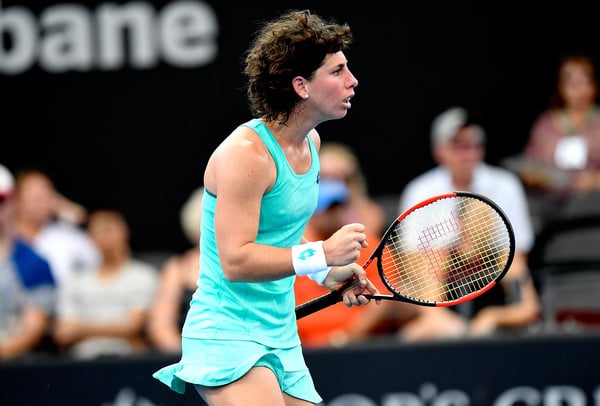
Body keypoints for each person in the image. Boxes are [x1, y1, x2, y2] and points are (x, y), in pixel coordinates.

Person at [152, 9, 380, 406]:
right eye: (337, 70)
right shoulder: (246, 155)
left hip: (280, 331)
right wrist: (321, 252)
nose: (352, 80)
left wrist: (329, 272)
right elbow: (235, 262)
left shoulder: (312, 145)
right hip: (227, 332)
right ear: (301, 86)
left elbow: (283, 234)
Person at [348, 106, 541, 344]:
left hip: (487, 321)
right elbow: (419, 282)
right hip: (436, 307)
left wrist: (492, 318)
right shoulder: (420, 192)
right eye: (458, 144)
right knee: (425, 330)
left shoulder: (506, 195)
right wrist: (464, 333)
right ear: (440, 150)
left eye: (474, 143)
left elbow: (528, 305)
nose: (467, 152)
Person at [503, 53, 600, 231]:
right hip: (550, 200)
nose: (578, 88)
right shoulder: (546, 124)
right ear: (560, 86)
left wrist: (594, 180)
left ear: (594, 85)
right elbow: (530, 163)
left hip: (592, 198)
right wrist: (533, 177)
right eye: (571, 81)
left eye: (584, 79)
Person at [52, 207, 159, 360]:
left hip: (128, 360)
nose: (105, 237)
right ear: (89, 237)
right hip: (81, 361)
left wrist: (79, 329)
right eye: (98, 231)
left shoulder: (144, 276)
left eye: (109, 230)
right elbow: (62, 334)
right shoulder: (75, 280)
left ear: (124, 232)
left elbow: (134, 326)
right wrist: (120, 329)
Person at [294, 178, 384, 348]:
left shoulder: (367, 245)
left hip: (357, 347)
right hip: (302, 348)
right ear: (312, 211)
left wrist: (345, 340)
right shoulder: (296, 252)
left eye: (340, 205)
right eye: (328, 207)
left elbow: (381, 302)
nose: (335, 213)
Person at [0, 164, 57, 361]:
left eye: (1, 200)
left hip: (15, 369)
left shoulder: (34, 262)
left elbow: (31, 331)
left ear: (13, 202)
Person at [12, 168, 101, 287]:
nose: (40, 201)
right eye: (34, 195)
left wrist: (79, 217)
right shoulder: (5, 237)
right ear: (16, 198)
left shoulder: (67, 236)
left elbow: (102, 260)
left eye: (45, 194)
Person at [148, 187, 204, 354]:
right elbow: (161, 325)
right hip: (191, 360)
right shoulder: (178, 267)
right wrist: (186, 357)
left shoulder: (250, 261)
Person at [318, 142, 386, 236]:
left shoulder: (370, 215)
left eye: (337, 178)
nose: (331, 186)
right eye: (324, 177)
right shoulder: (299, 218)